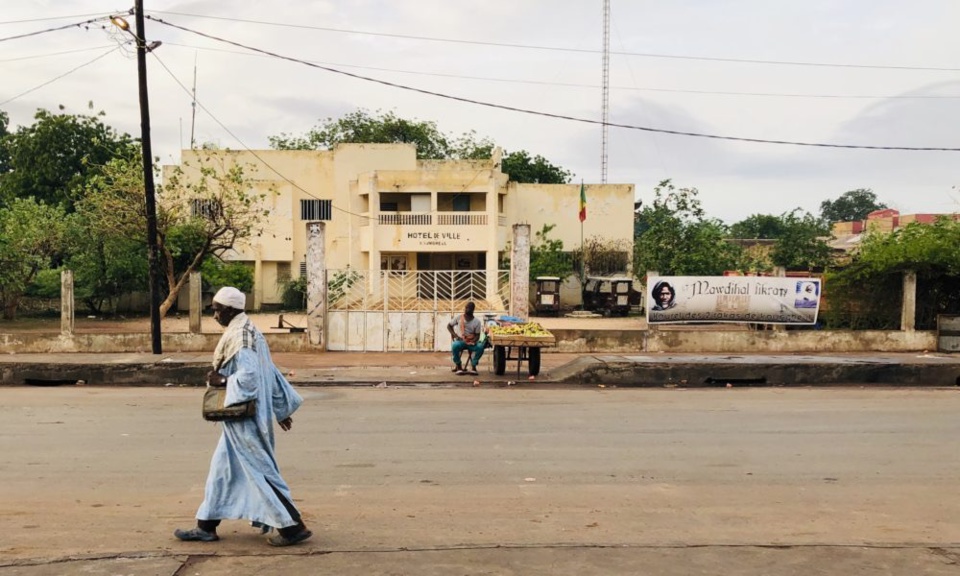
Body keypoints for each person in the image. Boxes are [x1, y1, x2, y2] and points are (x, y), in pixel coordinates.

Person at [174, 287, 312, 547]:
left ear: (230, 310)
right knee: (221, 470)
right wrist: (280, 409)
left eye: (217, 310)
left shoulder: (240, 336)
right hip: (241, 420)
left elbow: (250, 379)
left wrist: (221, 379)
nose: (214, 315)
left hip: (244, 419)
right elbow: (269, 372)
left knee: (260, 471)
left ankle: (293, 528)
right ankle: (206, 525)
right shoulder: (248, 330)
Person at [448, 301, 485, 375]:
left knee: (480, 347)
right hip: (461, 341)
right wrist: (455, 335)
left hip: (471, 342)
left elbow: (477, 335)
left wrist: (473, 341)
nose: (466, 309)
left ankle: (473, 366)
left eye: (469, 308)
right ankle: (459, 366)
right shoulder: (459, 317)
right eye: (466, 308)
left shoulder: (477, 322)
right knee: (454, 345)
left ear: (473, 310)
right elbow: (449, 326)